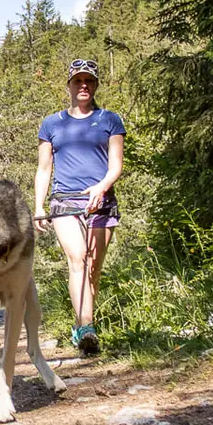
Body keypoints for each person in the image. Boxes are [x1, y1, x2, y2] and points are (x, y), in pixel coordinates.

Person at [34, 58, 124, 356]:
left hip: (101, 201)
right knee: (79, 259)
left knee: (93, 270)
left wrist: (102, 187)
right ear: (69, 85)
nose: (83, 85)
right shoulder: (51, 124)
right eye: (78, 81)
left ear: (96, 85)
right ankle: (87, 328)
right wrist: (38, 206)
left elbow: (116, 165)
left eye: (89, 81)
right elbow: (44, 169)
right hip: (64, 201)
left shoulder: (110, 120)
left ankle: (82, 325)